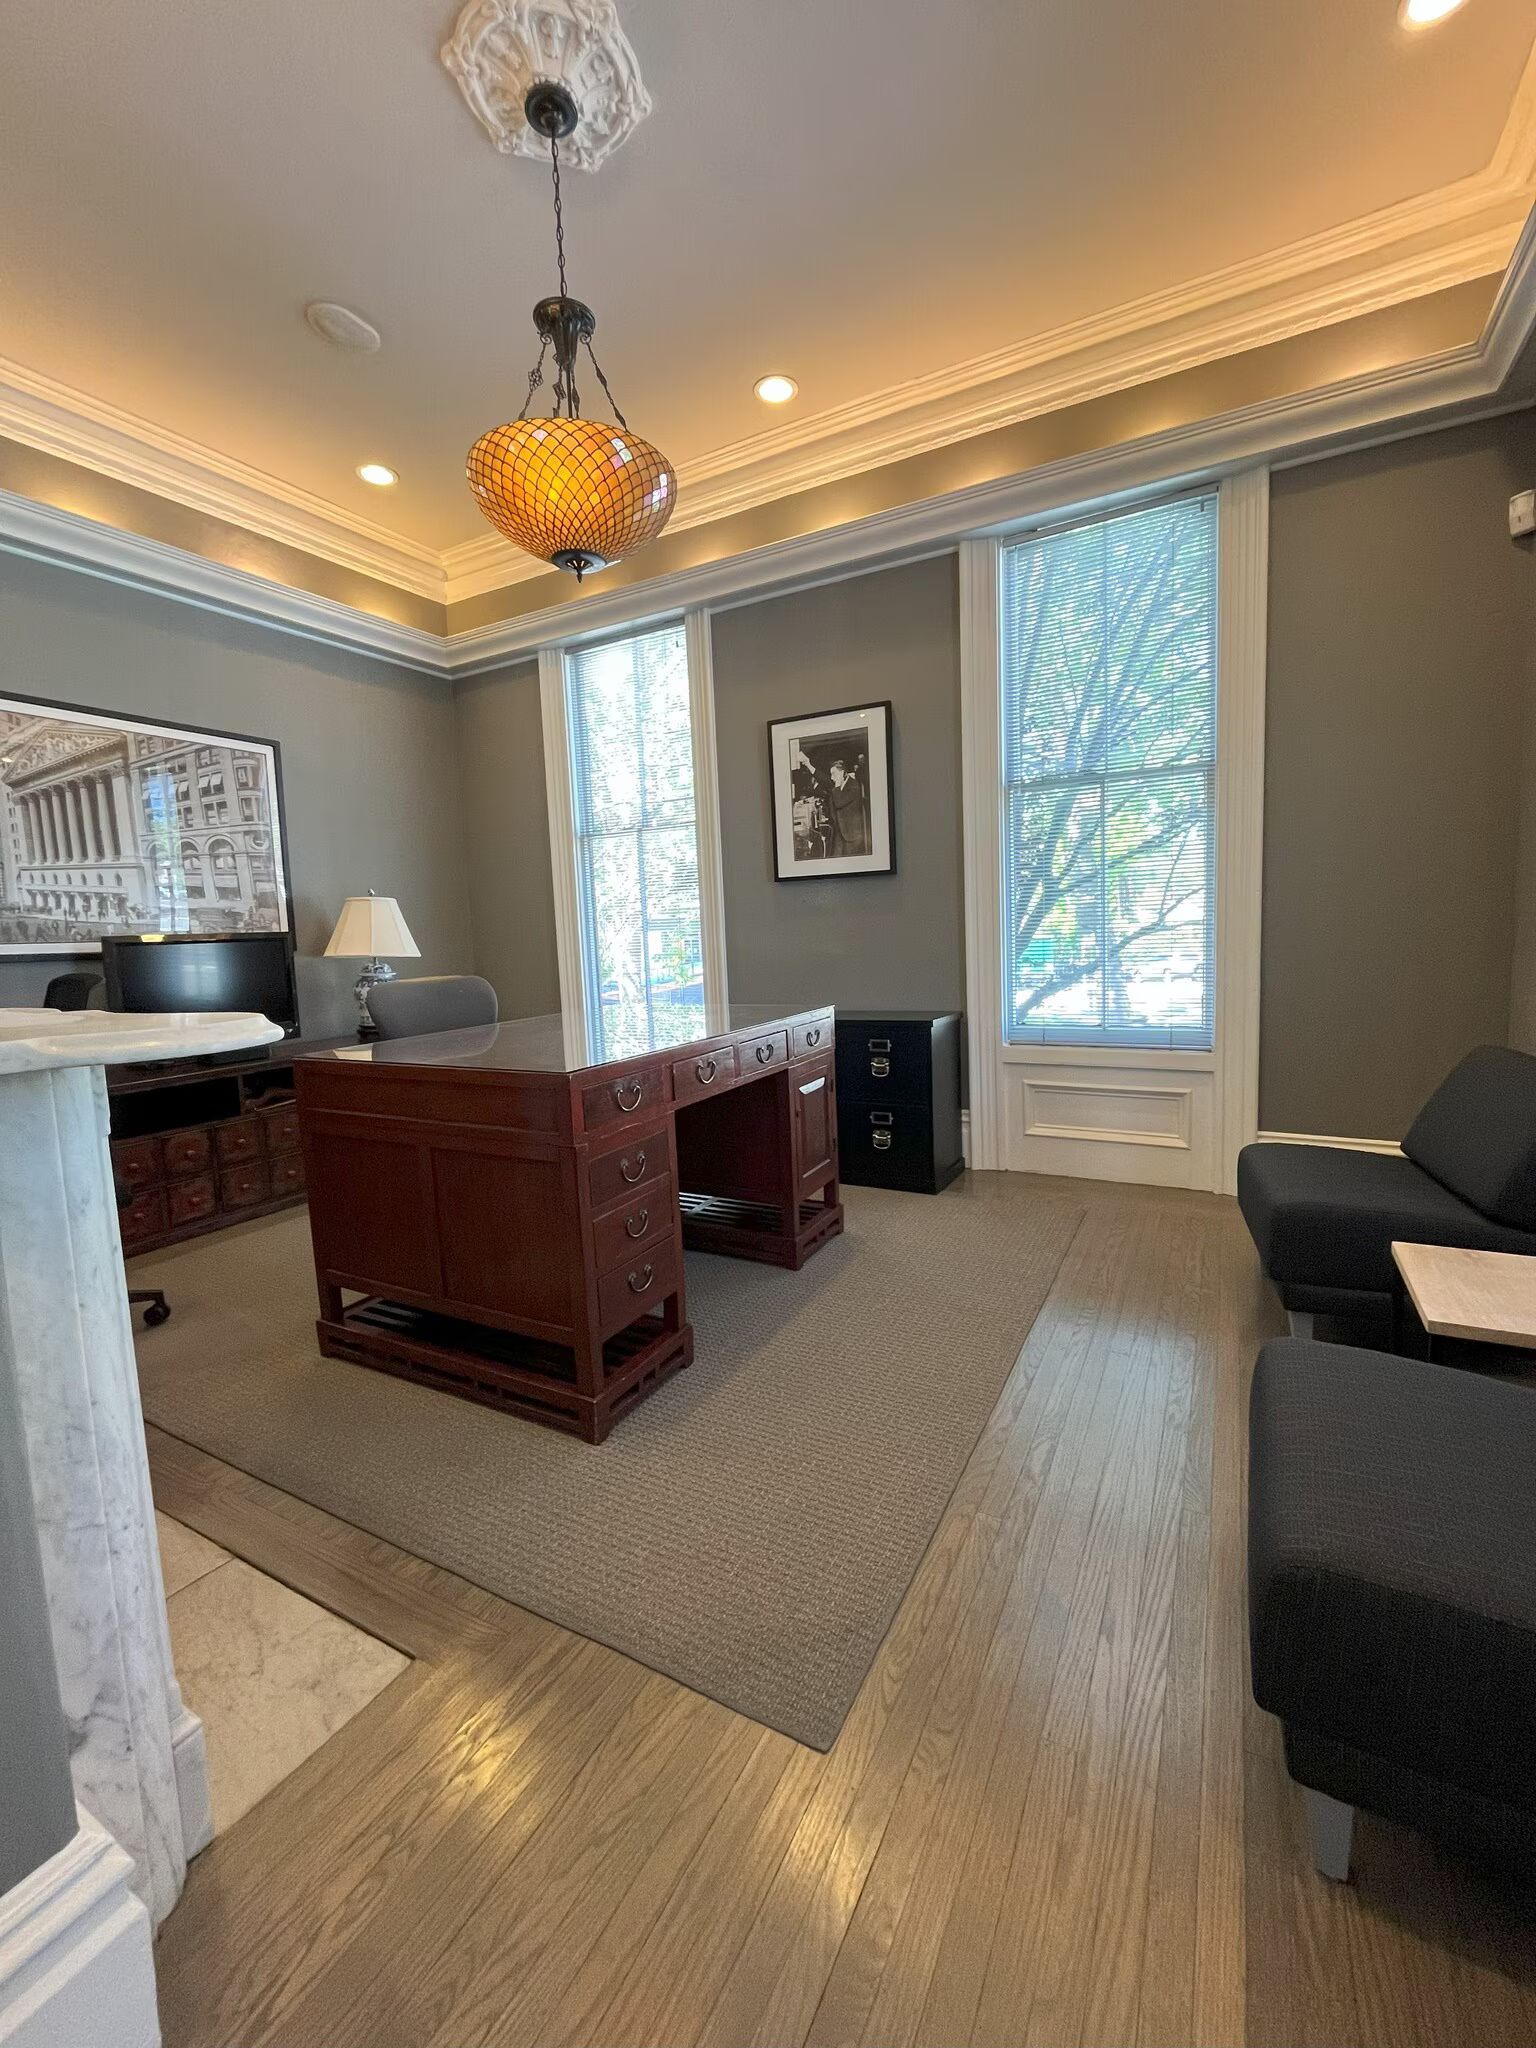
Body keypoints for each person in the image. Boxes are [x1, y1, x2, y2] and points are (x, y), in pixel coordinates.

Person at [827, 757, 870, 857]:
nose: (831, 778)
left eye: (833, 774)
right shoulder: (839, 786)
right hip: (840, 831)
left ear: (842, 773)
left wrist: (837, 785)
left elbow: (839, 803)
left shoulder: (853, 786)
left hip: (851, 835)